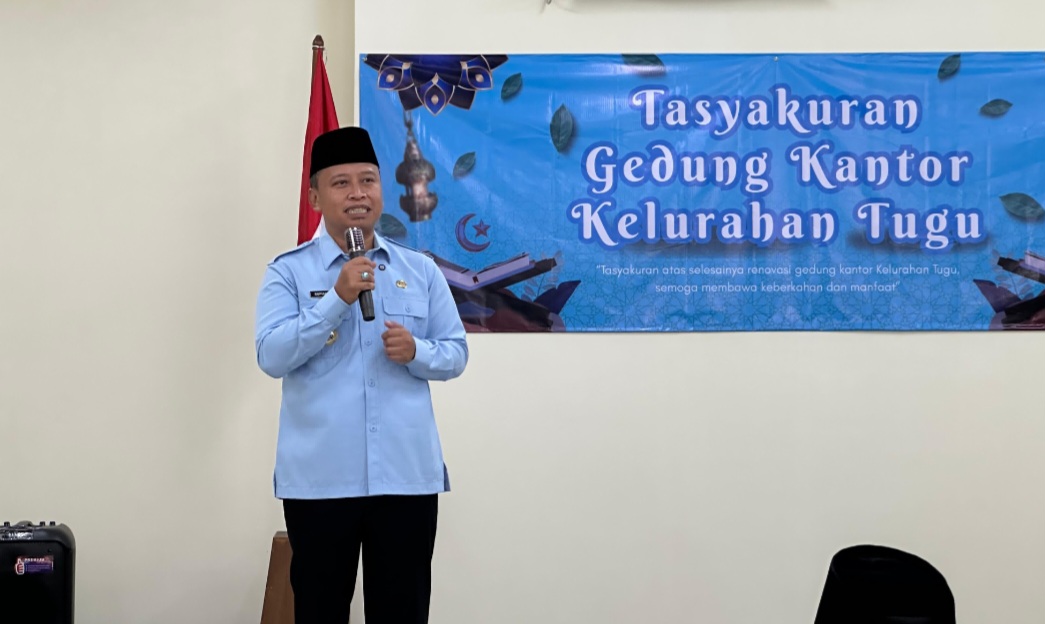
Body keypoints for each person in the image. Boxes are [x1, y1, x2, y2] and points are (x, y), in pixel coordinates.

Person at [254, 126, 469, 624]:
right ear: (315, 197)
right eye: (341, 183)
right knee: (320, 612)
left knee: (403, 613)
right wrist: (336, 299)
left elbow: (456, 352)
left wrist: (416, 352)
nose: (358, 194)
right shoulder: (287, 272)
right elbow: (271, 355)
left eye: (368, 181)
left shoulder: (419, 270)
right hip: (321, 483)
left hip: (405, 480)